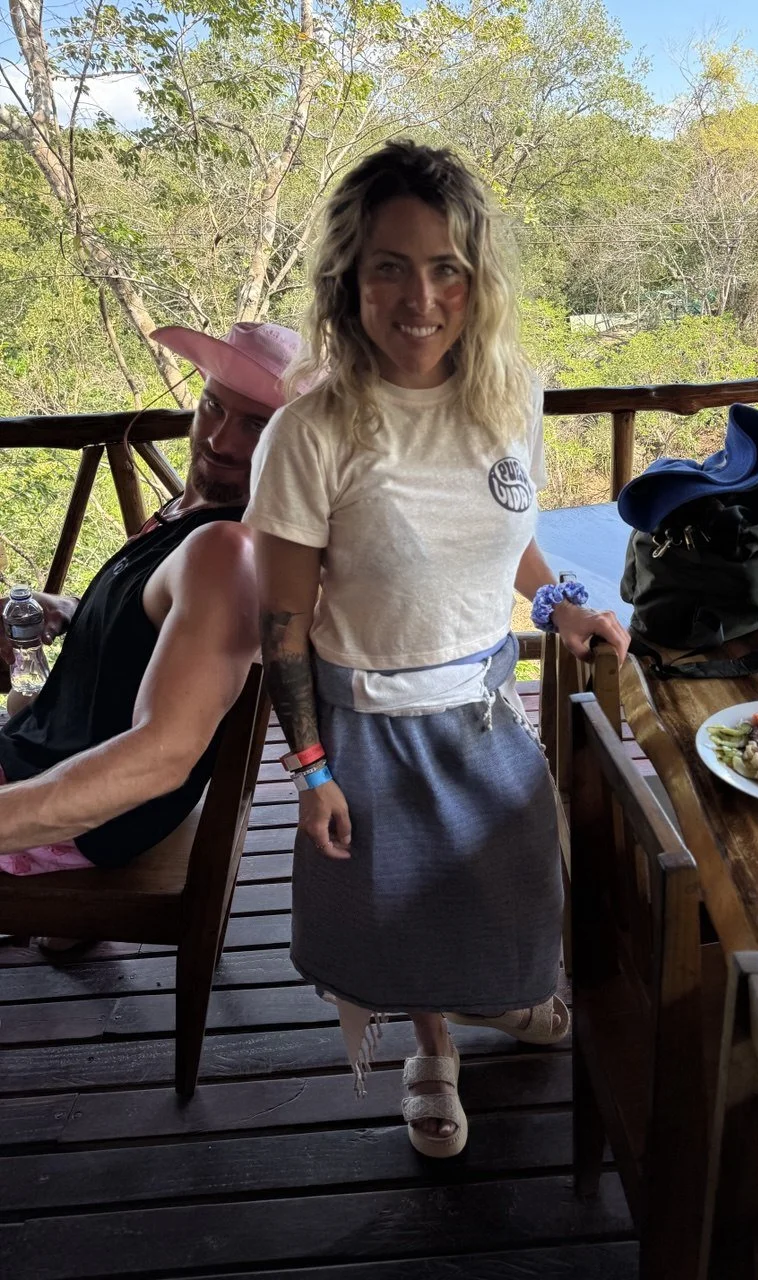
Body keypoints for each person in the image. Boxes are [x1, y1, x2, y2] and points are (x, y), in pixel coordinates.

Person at [245, 140, 630, 1158]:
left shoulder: (510, 399)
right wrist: (310, 769)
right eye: (391, 267)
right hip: (367, 726)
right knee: (401, 912)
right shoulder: (311, 433)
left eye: (446, 268)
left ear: (477, 278)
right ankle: (433, 1046)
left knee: (512, 891)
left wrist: (561, 602)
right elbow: (281, 622)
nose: (421, 299)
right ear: (349, 280)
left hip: (486, 711)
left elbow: (510, 537)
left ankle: (497, 998)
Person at [0, 321, 300, 915]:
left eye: (256, 426)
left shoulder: (227, 550)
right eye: (213, 406)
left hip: (81, 814)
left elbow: (163, 755)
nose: (221, 440)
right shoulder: (192, 517)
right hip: (41, 757)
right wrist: (70, 609)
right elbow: (154, 621)